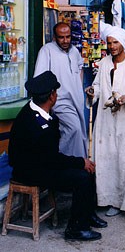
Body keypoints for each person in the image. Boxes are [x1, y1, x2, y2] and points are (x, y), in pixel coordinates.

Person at [8, 71, 107, 241]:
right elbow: (52, 159)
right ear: (52, 96)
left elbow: (50, 157)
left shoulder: (35, 111)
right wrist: (79, 162)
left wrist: (80, 163)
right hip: (30, 172)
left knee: (86, 169)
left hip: (39, 163)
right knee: (82, 176)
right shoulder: (38, 124)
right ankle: (76, 229)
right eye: (56, 92)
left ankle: (86, 214)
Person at [85, 24, 125, 217]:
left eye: (115, 43)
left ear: (123, 44)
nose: (112, 46)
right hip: (105, 120)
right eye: (109, 43)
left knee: (122, 159)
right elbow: (97, 87)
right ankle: (105, 198)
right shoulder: (104, 63)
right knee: (105, 159)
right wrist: (92, 92)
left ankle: (122, 201)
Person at [34, 22, 87, 158]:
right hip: (58, 101)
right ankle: (65, 163)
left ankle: (77, 166)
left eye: (68, 37)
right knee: (73, 129)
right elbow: (40, 78)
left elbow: (79, 68)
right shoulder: (47, 51)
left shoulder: (74, 51)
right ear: (54, 37)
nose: (65, 41)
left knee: (78, 132)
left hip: (76, 102)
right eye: (61, 37)